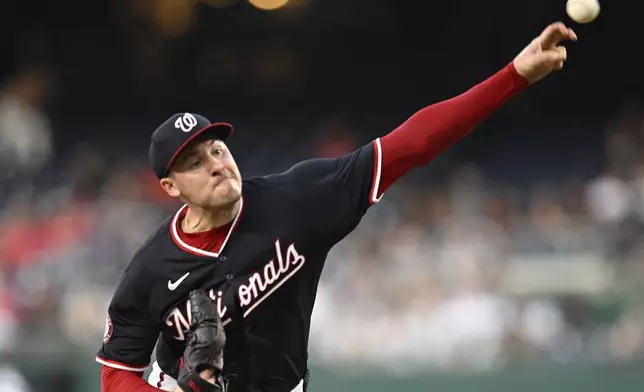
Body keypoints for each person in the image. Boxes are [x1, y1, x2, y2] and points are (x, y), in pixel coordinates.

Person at [97, 22, 578, 392]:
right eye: (194, 163)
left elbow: (412, 143)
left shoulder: (299, 199)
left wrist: (514, 76)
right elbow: (117, 373)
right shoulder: (150, 270)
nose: (216, 164)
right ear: (170, 186)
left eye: (217, 150)